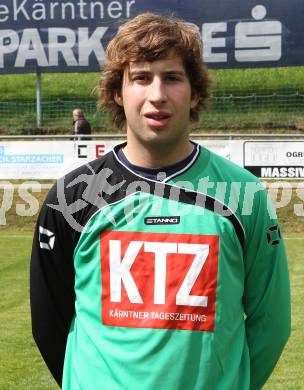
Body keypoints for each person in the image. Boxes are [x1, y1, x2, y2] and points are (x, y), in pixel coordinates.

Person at [30, 13, 291, 390]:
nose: (157, 95)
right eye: (140, 78)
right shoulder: (72, 195)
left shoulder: (245, 195)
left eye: (172, 77)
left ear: (195, 92)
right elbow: (49, 322)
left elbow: (272, 323)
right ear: (118, 92)